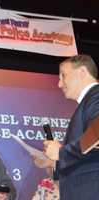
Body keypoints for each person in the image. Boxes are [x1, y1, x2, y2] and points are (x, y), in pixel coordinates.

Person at [34, 54, 99, 200]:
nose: (59, 84)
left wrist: (62, 152)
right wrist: (54, 162)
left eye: (63, 76)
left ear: (82, 72)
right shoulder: (88, 102)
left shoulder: (96, 95)